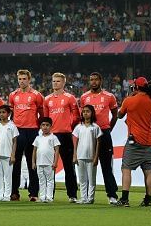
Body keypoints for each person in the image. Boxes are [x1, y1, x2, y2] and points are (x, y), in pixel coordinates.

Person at [116, 77, 151, 207]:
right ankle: (147, 199)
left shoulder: (130, 100)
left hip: (134, 141)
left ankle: (124, 199)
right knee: (148, 171)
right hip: (149, 141)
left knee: (126, 169)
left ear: (136, 87)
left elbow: (119, 115)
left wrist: (130, 97)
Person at [80, 72, 119, 204]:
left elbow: (115, 115)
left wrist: (108, 128)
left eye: (96, 79)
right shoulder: (84, 97)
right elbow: (82, 115)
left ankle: (112, 195)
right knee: (86, 166)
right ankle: (86, 197)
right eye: (91, 80)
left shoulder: (109, 96)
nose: (94, 82)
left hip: (104, 132)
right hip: (88, 134)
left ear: (101, 81)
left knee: (106, 166)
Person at [43, 72, 80, 202]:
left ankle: (72, 195)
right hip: (51, 136)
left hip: (65, 135)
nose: (55, 83)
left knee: (69, 166)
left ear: (64, 83)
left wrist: (69, 126)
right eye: (54, 81)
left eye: (58, 81)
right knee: (48, 166)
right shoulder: (47, 99)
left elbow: (76, 116)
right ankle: (48, 195)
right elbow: (45, 119)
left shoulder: (70, 98)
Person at [8, 69, 43, 202]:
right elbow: (10, 114)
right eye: (20, 79)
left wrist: (37, 127)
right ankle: (14, 192)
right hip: (18, 131)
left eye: (24, 79)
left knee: (32, 162)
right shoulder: (13, 95)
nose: (22, 81)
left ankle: (33, 193)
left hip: (32, 131)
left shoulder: (36, 95)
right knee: (15, 162)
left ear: (29, 79)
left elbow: (42, 114)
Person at [72, 104, 102, 204]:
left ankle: (90, 198)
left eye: (87, 111)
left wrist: (96, 157)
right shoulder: (78, 127)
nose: (85, 113)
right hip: (80, 156)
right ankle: (83, 198)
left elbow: (98, 143)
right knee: (82, 179)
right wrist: (75, 155)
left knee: (91, 179)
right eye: (84, 111)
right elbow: (75, 143)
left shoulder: (96, 127)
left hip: (91, 156)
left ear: (92, 113)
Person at [0, 105, 18, 202]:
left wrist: (13, 155)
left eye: (4, 112)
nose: (1, 114)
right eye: (0, 112)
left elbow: (15, 142)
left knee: (8, 176)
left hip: (8, 155)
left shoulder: (12, 126)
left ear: (9, 114)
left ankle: (7, 195)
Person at [32, 117, 60, 203]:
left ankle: (49, 197)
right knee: (41, 180)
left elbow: (57, 150)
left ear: (51, 126)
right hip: (39, 163)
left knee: (50, 180)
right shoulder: (38, 138)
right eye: (43, 125)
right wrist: (33, 162)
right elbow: (34, 150)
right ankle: (42, 196)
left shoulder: (53, 138)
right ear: (40, 126)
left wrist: (55, 162)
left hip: (49, 163)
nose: (45, 127)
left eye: (47, 125)